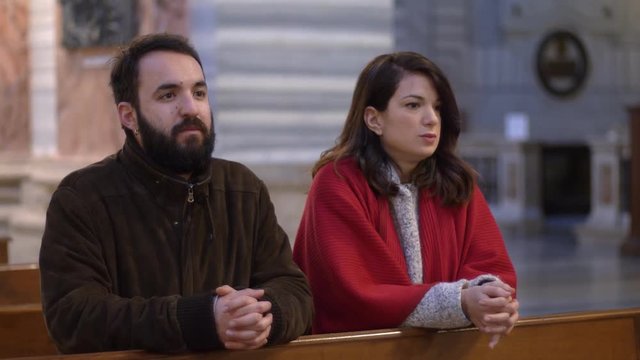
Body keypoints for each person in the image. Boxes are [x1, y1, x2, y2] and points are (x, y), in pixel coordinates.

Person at [39, 33, 313, 354]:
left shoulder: (243, 189)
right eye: (168, 95)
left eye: (199, 92)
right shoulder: (82, 198)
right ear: (129, 116)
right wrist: (202, 319)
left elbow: (294, 290)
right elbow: (74, 317)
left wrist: (265, 316)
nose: (190, 108)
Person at [293, 51, 519, 347]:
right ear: (374, 119)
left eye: (437, 107)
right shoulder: (337, 183)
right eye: (413, 105)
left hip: (442, 352)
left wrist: (491, 298)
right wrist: (460, 302)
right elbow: (355, 292)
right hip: (356, 351)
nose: (431, 119)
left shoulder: (456, 183)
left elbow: (491, 266)